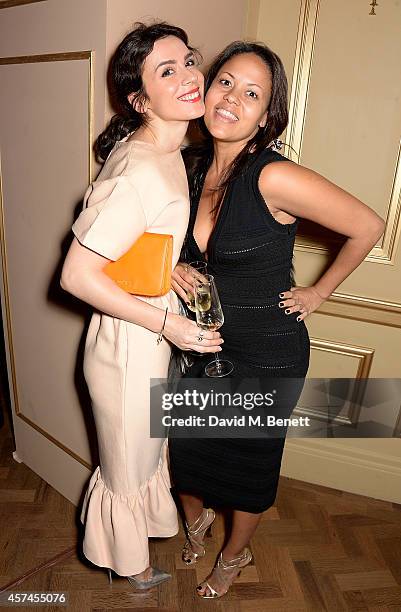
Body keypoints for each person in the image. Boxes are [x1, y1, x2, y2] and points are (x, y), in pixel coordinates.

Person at [169, 41, 385, 599]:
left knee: (247, 467)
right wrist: (169, 269)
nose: (232, 99)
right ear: (207, 87)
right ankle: (195, 522)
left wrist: (319, 293)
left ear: (266, 116)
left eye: (252, 94)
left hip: (266, 352)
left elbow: (367, 224)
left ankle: (235, 555)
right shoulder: (185, 168)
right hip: (198, 345)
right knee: (183, 446)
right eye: (226, 83)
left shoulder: (274, 177)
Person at [60, 22, 223, 589]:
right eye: (167, 70)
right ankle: (130, 571)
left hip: (144, 339)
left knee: (144, 455)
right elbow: (77, 275)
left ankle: (135, 557)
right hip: (129, 349)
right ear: (139, 98)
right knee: (126, 470)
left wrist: (166, 268)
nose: (189, 77)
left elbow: (130, 245)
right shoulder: (140, 168)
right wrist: (168, 324)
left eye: (188, 61)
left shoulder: (166, 150)